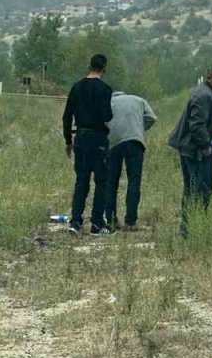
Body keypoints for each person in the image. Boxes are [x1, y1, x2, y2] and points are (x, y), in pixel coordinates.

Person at [167, 64, 212, 236]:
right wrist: (206, 147)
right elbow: (197, 124)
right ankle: (192, 228)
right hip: (197, 152)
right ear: (210, 78)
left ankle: (189, 227)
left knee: (193, 189)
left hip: (195, 150)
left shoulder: (209, 93)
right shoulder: (204, 95)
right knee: (200, 190)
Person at [61, 53, 114, 235]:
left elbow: (67, 117)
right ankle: (97, 224)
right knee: (101, 181)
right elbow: (108, 115)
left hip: (81, 137)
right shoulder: (106, 89)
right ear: (104, 69)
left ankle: (75, 221)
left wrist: (68, 141)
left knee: (81, 180)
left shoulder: (77, 87)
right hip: (98, 138)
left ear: (90, 66)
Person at [106, 90, 157, 230]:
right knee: (134, 181)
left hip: (113, 143)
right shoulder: (138, 100)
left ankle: (110, 219)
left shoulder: (108, 102)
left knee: (111, 182)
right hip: (135, 141)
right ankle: (130, 221)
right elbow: (152, 118)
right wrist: (139, 129)